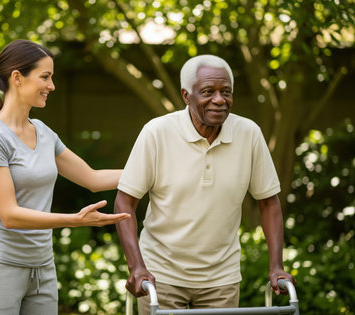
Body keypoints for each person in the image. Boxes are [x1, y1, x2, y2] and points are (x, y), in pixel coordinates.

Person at [114, 54, 296, 314]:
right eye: (208, 91)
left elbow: (268, 202)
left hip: (221, 277)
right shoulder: (157, 132)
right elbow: (125, 202)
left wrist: (276, 265)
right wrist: (136, 267)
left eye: (226, 92)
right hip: (160, 273)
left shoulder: (249, 133)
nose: (220, 100)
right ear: (186, 95)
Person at [0, 39, 130, 315]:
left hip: (42, 267)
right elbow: (9, 214)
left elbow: (91, 178)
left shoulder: (43, 132)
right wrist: (76, 221)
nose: (52, 86)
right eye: (45, 77)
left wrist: (153, 172)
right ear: (17, 78)